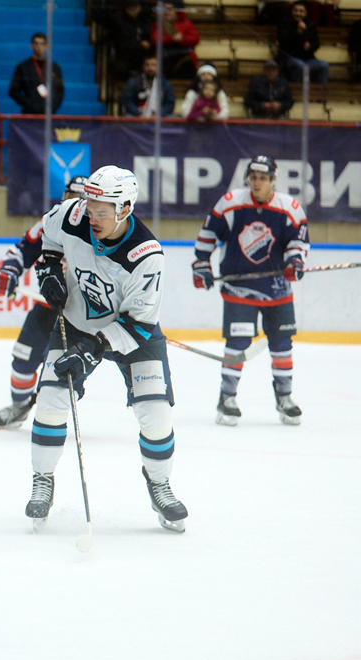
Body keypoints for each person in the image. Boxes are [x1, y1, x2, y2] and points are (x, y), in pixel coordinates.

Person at [24, 165, 188, 533]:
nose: (92, 217)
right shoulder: (71, 215)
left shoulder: (146, 255)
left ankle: (159, 483)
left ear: (126, 208)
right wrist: (48, 268)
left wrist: (91, 349)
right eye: (90, 206)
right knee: (50, 401)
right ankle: (43, 479)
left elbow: (139, 323)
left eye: (102, 211)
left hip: (132, 336)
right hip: (76, 323)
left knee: (155, 413)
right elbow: (48, 235)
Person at [191, 155, 309, 426]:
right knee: (237, 344)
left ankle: (284, 398)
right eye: (253, 177)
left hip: (278, 290)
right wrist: (201, 266)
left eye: (263, 178)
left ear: (273, 180)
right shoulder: (230, 203)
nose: (257, 183)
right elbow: (208, 235)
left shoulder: (290, 208)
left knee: (282, 345)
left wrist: (295, 263)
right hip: (238, 289)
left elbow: (298, 242)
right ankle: (227, 398)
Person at [0, 175, 88, 430]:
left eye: (81, 199)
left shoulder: (101, 229)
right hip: (47, 307)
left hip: (86, 314)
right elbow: (21, 251)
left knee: (69, 369)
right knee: (23, 360)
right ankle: (19, 406)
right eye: (70, 197)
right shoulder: (50, 221)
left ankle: (146, 403)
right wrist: (9, 270)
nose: (74, 204)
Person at [9, 33, 65, 114]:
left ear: (46, 46)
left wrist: (53, 105)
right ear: (31, 46)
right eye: (36, 43)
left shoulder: (54, 67)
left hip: (49, 114)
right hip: (29, 114)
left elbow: (60, 90)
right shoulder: (23, 67)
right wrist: (28, 104)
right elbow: (13, 91)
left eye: (42, 44)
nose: (39, 47)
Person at [278, 1, 329, 84]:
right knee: (300, 65)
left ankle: (321, 91)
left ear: (306, 13)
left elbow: (316, 43)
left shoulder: (310, 24)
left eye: (301, 11)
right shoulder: (284, 23)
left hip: (307, 59)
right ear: (291, 11)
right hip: (289, 58)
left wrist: (310, 45)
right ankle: (295, 89)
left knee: (324, 65)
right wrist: (298, 32)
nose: (298, 13)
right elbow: (284, 42)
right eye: (295, 10)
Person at [151, 2, 200, 80]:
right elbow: (155, 39)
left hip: (183, 57)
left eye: (169, 9)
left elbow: (195, 39)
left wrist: (182, 39)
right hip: (165, 58)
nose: (167, 12)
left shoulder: (185, 23)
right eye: (164, 10)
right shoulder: (157, 24)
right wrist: (172, 39)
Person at [108, 0, 153, 82]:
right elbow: (122, 40)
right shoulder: (120, 22)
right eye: (130, 7)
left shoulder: (144, 21)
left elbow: (149, 36)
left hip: (143, 55)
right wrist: (139, 44)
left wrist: (148, 43)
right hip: (126, 55)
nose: (133, 9)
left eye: (135, 7)